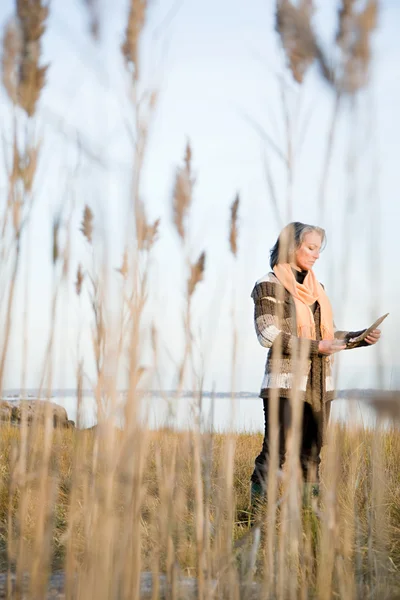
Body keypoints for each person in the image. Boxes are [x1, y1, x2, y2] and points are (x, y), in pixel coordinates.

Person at [250, 222, 381, 505]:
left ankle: (310, 516)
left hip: (320, 384)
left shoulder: (317, 289)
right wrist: (315, 346)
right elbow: (267, 334)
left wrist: (360, 337)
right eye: (310, 248)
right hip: (284, 385)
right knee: (276, 451)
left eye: (318, 249)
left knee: (311, 454)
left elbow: (328, 336)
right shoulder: (267, 284)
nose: (316, 255)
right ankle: (256, 515)